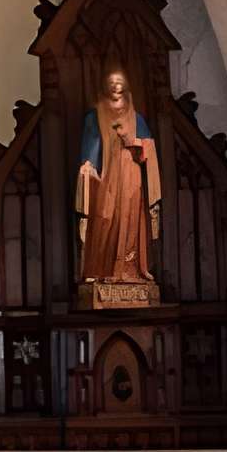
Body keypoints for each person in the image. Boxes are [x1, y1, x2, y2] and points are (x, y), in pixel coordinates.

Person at [75, 66, 161, 299]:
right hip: (108, 175)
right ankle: (103, 268)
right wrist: (88, 165)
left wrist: (131, 139)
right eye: (111, 81)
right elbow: (91, 145)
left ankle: (129, 270)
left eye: (119, 80)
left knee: (131, 217)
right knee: (105, 216)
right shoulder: (96, 115)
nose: (115, 85)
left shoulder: (136, 117)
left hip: (131, 173)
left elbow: (148, 148)